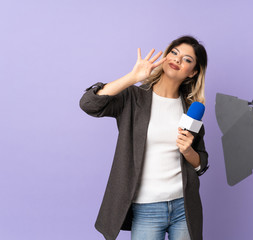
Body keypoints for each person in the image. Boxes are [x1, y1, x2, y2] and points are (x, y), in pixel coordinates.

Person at [80, 35, 209, 240]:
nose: (177, 59)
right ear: (166, 57)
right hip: (147, 207)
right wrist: (132, 78)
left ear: (193, 72)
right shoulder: (134, 97)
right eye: (174, 53)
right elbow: (89, 104)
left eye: (187, 59)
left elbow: (201, 164)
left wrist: (188, 151)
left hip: (184, 206)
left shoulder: (190, 108)